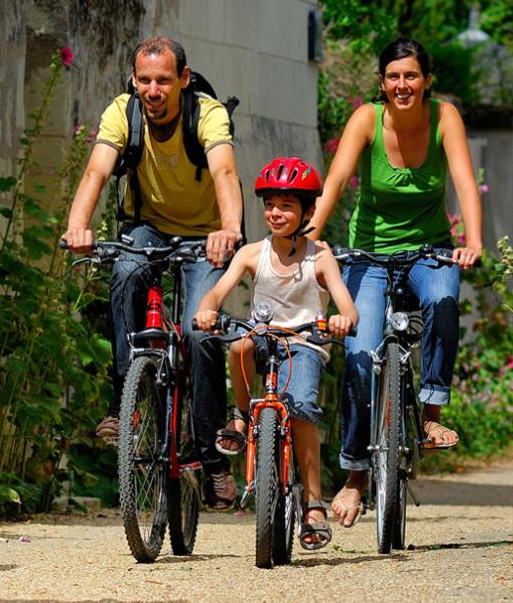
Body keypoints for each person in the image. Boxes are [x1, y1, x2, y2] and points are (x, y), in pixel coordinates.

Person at [306, 38, 484, 528]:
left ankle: (431, 413)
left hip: (430, 250)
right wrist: (309, 241)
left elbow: (465, 183)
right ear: (381, 82)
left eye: (411, 76)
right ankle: (355, 477)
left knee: (445, 301)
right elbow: (336, 181)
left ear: (427, 79)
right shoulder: (366, 118)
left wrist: (472, 240)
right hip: (368, 256)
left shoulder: (445, 117)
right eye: (392, 77)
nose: (402, 85)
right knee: (361, 356)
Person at [62, 37, 244, 509]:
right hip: (147, 228)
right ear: (134, 79)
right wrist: (77, 226)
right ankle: (126, 405)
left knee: (199, 331)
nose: (153, 90)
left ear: (183, 79)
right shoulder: (123, 113)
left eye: (163, 80)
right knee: (124, 272)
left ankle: (212, 458)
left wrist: (230, 229)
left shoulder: (207, 114)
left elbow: (224, 173)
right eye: (144, 80)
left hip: (207, 235)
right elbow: (96, 172)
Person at [194, 156, 358, 551]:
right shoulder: (253, 253)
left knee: (300, 406)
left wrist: (341, 320)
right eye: (270, 204)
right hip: (264, 338)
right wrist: (208, 305)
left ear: (307, 211)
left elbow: (346, 306)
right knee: (238, 343)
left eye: (287, 205)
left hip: (303, 344)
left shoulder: (319, 256)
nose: (276, 213)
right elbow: (221, 288)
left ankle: (313, 502)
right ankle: (240, 415)